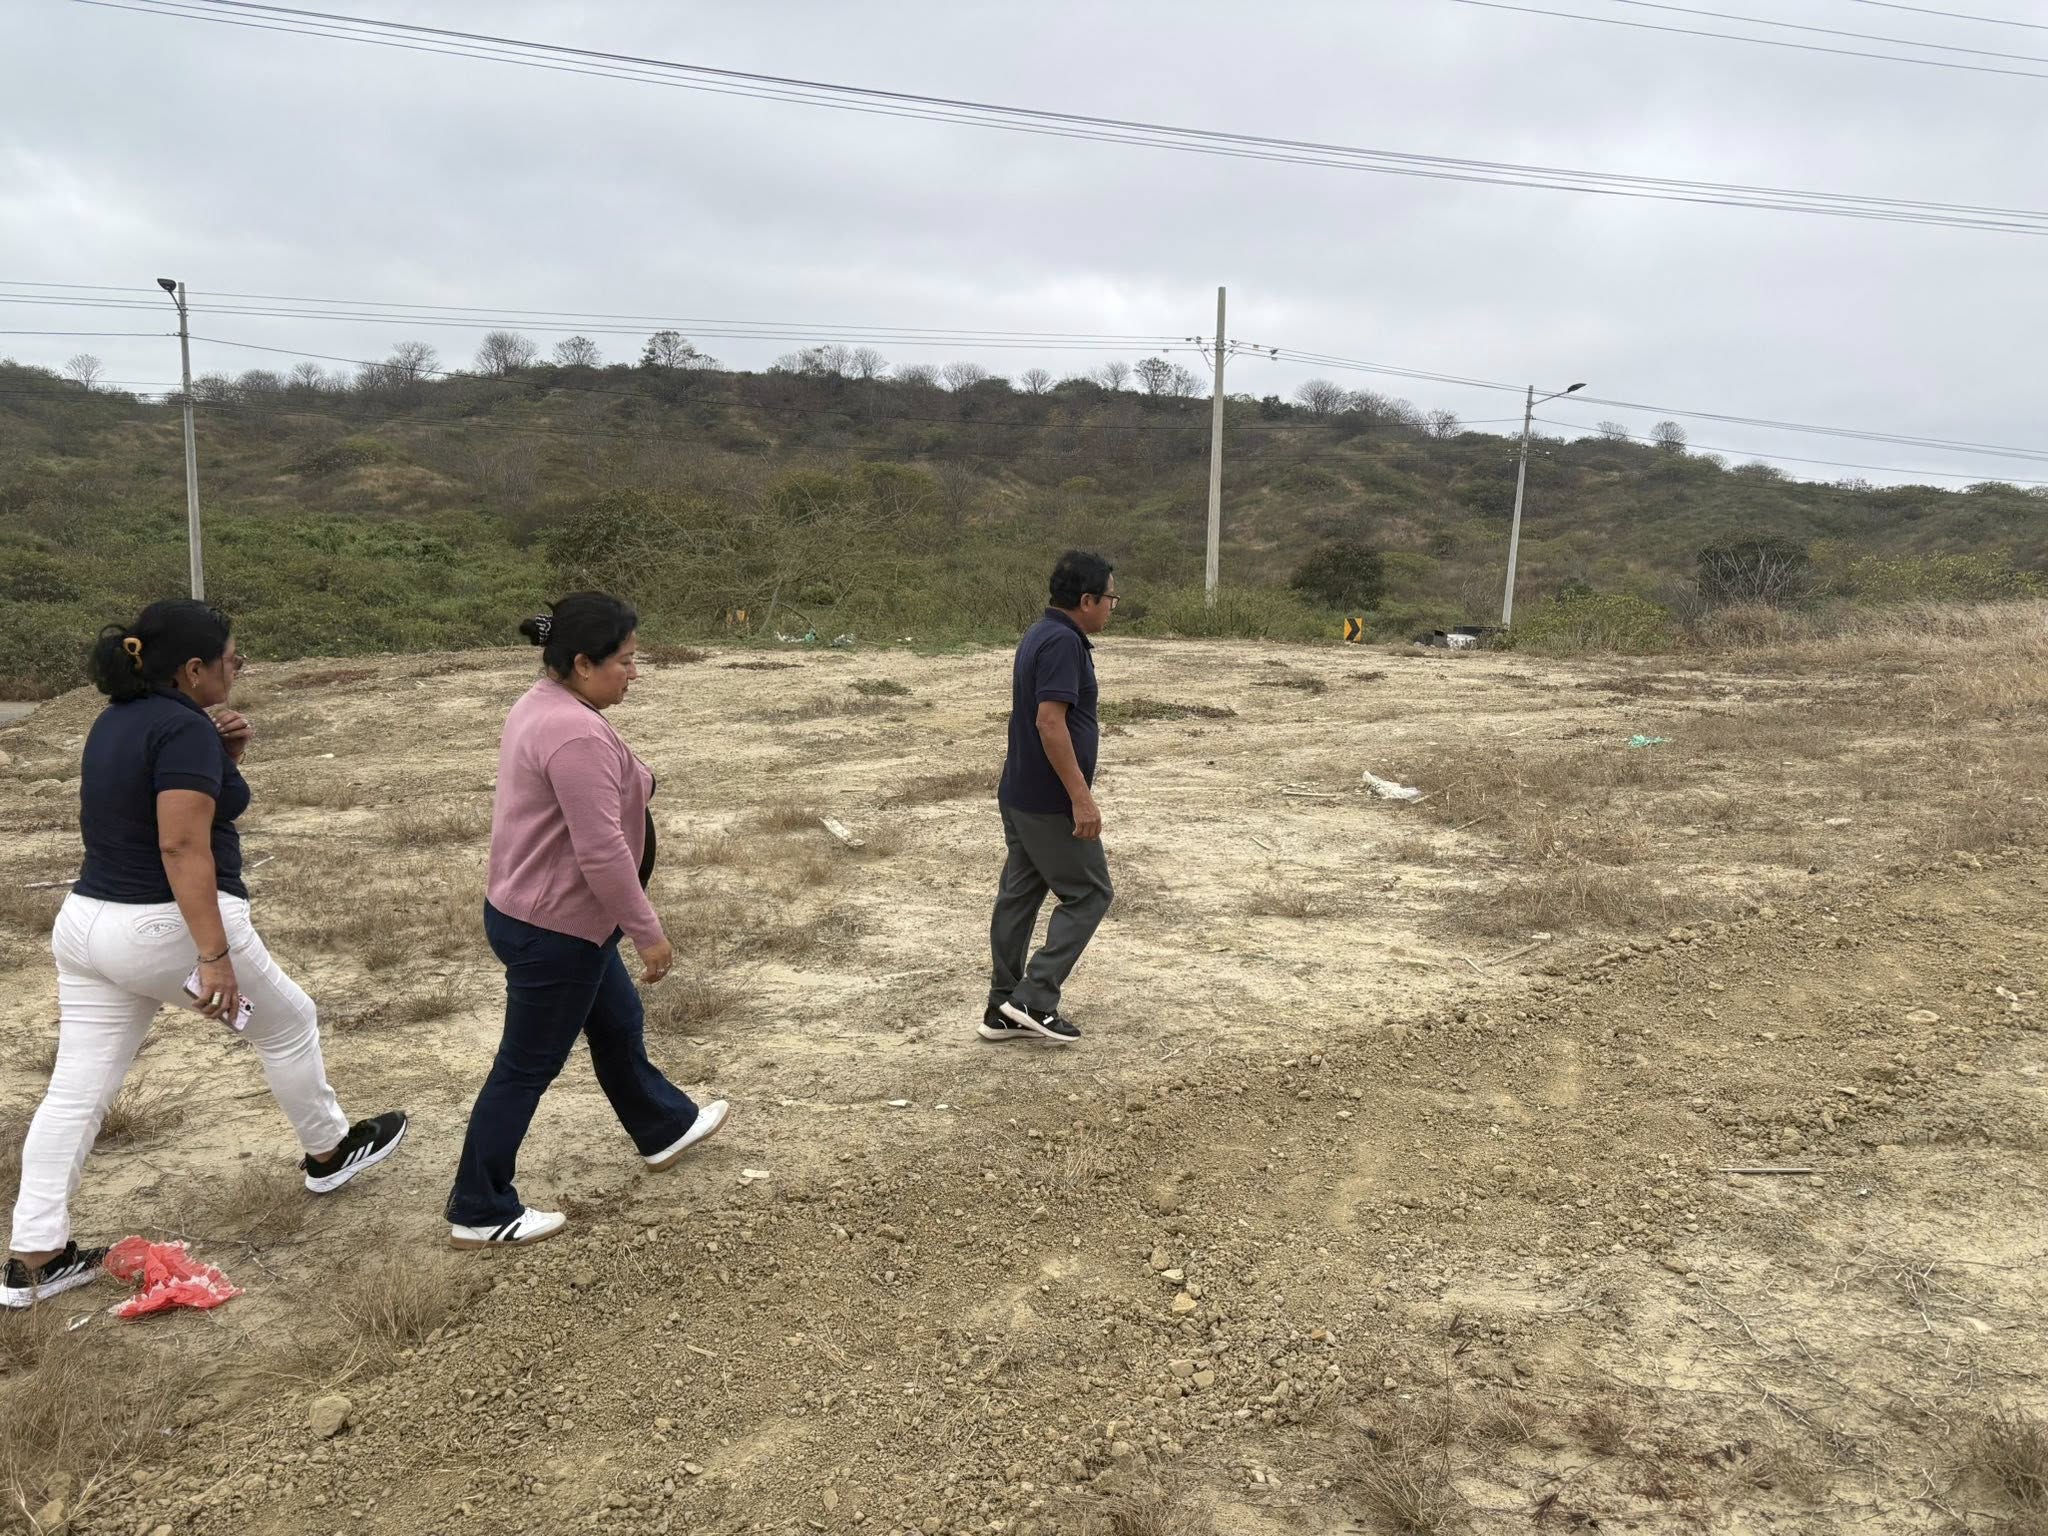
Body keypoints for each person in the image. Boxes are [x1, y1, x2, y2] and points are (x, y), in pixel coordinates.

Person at [3, 601, 408, 1309]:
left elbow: (168, 809)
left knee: (76, 1090)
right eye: (231, 657)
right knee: (288, 1024)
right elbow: (181, 844)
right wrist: (213, 953)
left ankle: (36, 1257)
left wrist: (225, 757)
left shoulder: (118, 720)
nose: (238, 666)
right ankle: (330, 1152)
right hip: (161, 927)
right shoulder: (183, 730)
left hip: (87, 922)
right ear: (193, 669)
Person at [444, 593, 730, 1248]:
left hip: (543, 915)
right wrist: (647, 931)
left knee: (617, 1022)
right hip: (557, 929)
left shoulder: (544, 702)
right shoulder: (573, 733)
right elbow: (600, 851)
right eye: (624, 661)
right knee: (525, 1066)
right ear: (581, 663)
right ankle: (480, 1207)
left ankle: (664, 1127)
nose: (634, 673)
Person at [981, 551, 1118, 1046]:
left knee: (1019, 896)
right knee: (1091, 892)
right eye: (1110, 598)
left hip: (1021, 790)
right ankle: (1033, 999)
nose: (1112, 607)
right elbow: (1050, 722)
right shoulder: (1063, 642)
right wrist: (1080, 797)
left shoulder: (1041, 632)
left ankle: (1002, 1008)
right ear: (1087, 599)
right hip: (1048, 800)